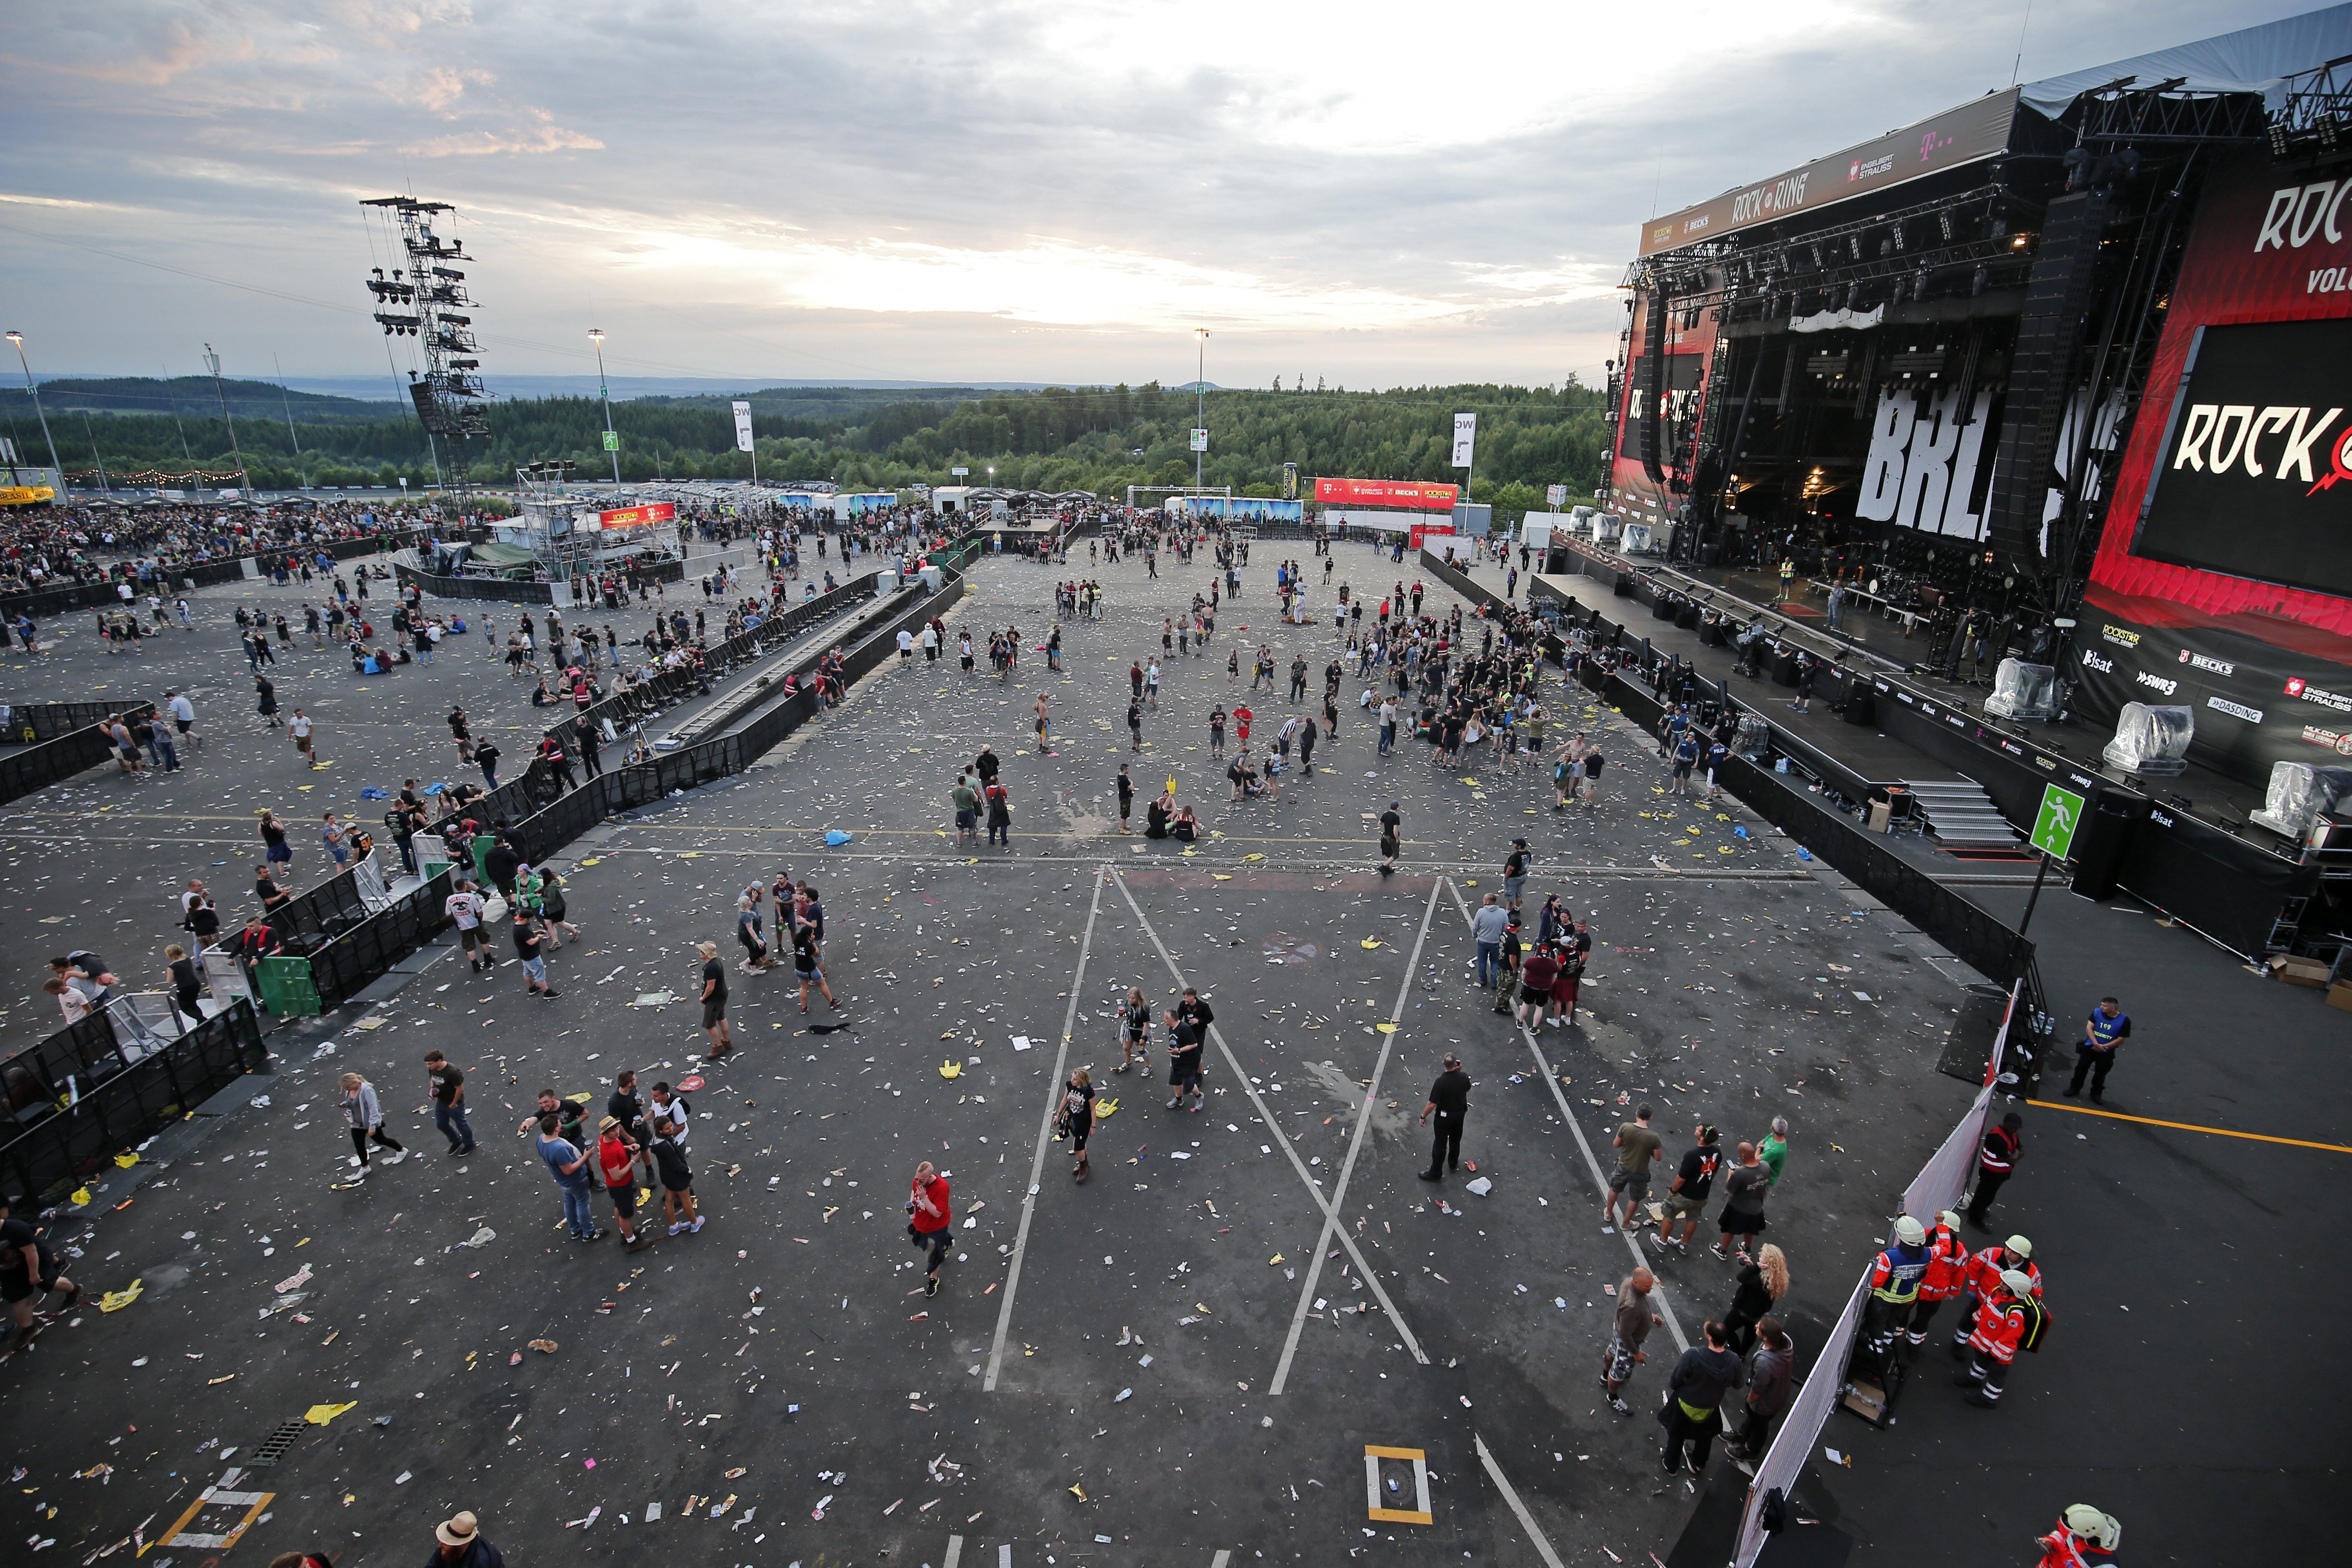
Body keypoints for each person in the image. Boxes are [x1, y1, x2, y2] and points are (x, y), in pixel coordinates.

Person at [1951, 1268, 2045, 1408]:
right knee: (1980, 1361)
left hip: (1999, 1352)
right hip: (1985, 1342)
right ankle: (1975, 1379)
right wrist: (1977, 1318)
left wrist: (1997, 1353)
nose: (2001, 1284)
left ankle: (1989, 1398)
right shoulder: (1996, 1293)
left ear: (2016, 1290)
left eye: (2006, 1284)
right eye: (2003, 1281)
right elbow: (1985, 1307)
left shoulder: (2016, 1313)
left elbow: (2010, 1337)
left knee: (1996, 1375)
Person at [1661, 1319, 1744, 1475]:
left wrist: (1676, 1387)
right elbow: (1738, 1385)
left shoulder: (1694, 1355)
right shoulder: (1733, 1360)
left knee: (1677, 1433)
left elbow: (1676, 1378)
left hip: (1686, 1403)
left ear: (1710, 1338)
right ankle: (1698, 1464)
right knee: (1705, 1436)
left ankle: (1671, 1465)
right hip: (1710, 1406)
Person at [0, 1192, 81, 1347]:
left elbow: (31, 1253)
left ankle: (73, 1290)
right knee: (17, 1298)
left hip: (34, 1261)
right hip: (9, 1270)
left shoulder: (14, 1229)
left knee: (49, 1282)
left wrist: (34, 1274)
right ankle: (28, 1329)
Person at [1857, 1215, 1931, 1377]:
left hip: (1885, 1300)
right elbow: (1943, 1249)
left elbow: (1876, 1282)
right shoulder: (1927, 1254)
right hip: (1908, 1299)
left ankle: (1874, 1353)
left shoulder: (1888, 1258)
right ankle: (1885, 1345)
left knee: (1877, 1325)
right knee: (1891, 1325)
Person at [1725, 1318, 1794, 1470]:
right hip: (1776, 1396)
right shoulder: (1784, 1347)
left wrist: (1749, 1401)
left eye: (1759, 1328)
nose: (1756, 1326)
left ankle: (1752, 1451)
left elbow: (1758, 1389)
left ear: (1766, 1337)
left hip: (1765, 1404)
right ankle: (1743, 1435)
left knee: (1760, 1425)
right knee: (1754, 1420)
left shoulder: (1766, 1364)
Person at [1601, 1267, 1664, 1415]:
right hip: (1628, 1341)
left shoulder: (1629, 1284)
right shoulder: (1631, 1306)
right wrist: (1636, 1353)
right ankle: (1612, 1397)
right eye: (1647, 1286)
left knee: (1612, 1350)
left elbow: (1630, 1319)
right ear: (1636, 1282)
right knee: (1619, 1371)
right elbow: (1625, 1334)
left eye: (1651, 1285)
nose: (1650, 1288)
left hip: (1619, 1330)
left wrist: (1649, 1316)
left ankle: (1604, 1376)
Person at [1655, 1124, 1723, 1254]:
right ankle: (1684, 1244)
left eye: (1699, 1129)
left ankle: (1662, 1242)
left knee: (1670, 1215)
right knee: (1693, 1218)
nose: (1696, 1127)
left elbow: (1681, 1179)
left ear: (1702, 1138)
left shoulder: (1692, 1155)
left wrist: (1673, 1191)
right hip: (1702, 1194)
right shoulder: (1717, 1152)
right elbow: (1715, 1173)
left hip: (1685, 1194)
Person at [1908, 1209, 1970, 1350]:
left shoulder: (1960, 1252)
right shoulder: (1922, 1236)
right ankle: (1892, 1338)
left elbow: (1960, 1273)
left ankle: (1913, 1345)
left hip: (1933, 1295)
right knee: (1901, 1315)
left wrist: (1953, 1292)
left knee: (1922, 1321)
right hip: (1913, 1287)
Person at [535, 1112, 602, 1241]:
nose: (561, 1123)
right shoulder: (559, 1149)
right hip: (575, 1181)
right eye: (559, 1123)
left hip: (563, 1182)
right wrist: (586, 1157)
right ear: (556, 1128)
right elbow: (569, 1170)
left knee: (570, 1203)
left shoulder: (541, 1140)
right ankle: (589, 1233)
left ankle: (575, 1230)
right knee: (582, 1204)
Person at [594, 1116, 654, 1251]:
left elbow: (618, 1146)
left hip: (618, 1187)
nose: (617, 1133)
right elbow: (616, 1176)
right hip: (620, 1185)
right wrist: (633, 1161)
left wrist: (628, 1147)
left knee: (619, 1209)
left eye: (617, 1129)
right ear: (605, 1133)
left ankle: (626, 1233)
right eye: (613, 1131)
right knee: (625, 1215)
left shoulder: (606, 1141)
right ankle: (632, 1242)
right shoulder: (609, 1152)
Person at [1720, 1243, 1788, 1357]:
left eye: (1763, 1253)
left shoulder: (1760, 1280)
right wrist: (1752, 1266)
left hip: (1743, 1310)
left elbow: (1742, 1278)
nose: (1760, 1253)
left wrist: (1754, 1267)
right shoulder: (1774, 1279)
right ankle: (1743, 1354)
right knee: (1750, 1332)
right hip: (1757, 1313)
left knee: (1727, 1328)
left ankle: (1736, 1352)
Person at [1605, 1104, 1661, 1233]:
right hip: (1640, 1171)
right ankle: (1625, 1223)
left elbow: (1616, 1144)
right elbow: (1658, 1157)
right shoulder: (1653, 1137)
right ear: (1650, 1118)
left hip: (1623, 1166)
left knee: (1615, 1188)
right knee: (1635, 1198)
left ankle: (1608, 1213)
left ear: (1637, 1114)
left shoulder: (1626, 1127)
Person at [2063, 996, 2130, 1102]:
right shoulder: (2097, 1012)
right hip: (2090, 1047)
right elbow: (2089, 1028)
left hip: (2106, 1052)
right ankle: (2075, 1088)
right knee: (2081, 1069)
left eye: (2104, 1006)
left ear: (2113, 1009)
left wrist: (2104, 1047)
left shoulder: (2124, 1021)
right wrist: (2096, 1043)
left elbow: (2121, 1039)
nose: (2101, 1007)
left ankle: (2096, 1094)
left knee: (2101, 1074)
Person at [1417, 1052, 1471, 1181]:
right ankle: (1453, 1163)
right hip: (1459, 1115)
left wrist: (1423, 1116)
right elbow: (1467, 1089)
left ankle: (1436, 1173)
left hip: (1444, 1117)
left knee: (1440, 1144)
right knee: (1455, 1139)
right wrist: (1460, 1071)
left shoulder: (1441, 1082)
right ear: (1456, 1064)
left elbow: (1432, 1103)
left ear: (1443, 1064)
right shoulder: (1463, 1077)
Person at [339, 1072, 407, 1174]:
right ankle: (365, 1167)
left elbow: (373, 1109)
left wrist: (372, 1126)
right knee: (359, 1145)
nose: (346, 1090)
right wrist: (346, 1104)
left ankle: (401, 1150)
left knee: (381, 1140)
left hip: (369, 1122)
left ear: (354, 1083)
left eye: (347, 1087)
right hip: (356, 1123)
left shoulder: (367, 1091)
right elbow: (353, 1102)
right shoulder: (349, 1091)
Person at [1966, 1110, 2024, 1227]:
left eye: (2017, 1128)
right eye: (2013, 1127)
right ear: (2005, 1123)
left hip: (2000, 1173)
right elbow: (2010, 1159)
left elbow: (2021, 1151)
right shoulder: (1996, 1137)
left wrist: (2015, 1155)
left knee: (1988, 1195)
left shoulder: (2013, 1135)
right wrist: (2016, 1155)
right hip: (1991, 1172)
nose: (2015, 1130)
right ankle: (1975, 1218)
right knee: (1984, 1195)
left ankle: (1978, 1210)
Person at [1715, 1140, 1772, 1258]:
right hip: (1757, 1207)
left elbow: (1731, 1189)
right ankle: (1747, 1248)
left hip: (1738, 1207)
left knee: (1729, 1229)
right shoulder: (1766, 1166)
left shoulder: (1740, 1173)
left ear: (1742, 1156)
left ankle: (1723, 1251)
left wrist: (1731, 1174)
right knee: (1750, 1229)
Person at [907, 1160, 952, 1296]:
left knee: (932, 1254)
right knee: (936, 1245)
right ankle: (946, 1244)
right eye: (917, 1179)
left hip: (936, 1227)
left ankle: (934, 1279)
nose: (918, 1182)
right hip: (920, 1224)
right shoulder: (918, 1181)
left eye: (922, 1180)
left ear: (930, 1177)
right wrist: (912, 1203)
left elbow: (937, 1213)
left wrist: (924, 1198)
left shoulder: (942, 1187)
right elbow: (913, 1191)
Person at [651, 1115, 701, 1234]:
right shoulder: (666, 1146)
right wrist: (687, 1170)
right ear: (660, 1130)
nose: (671, 1130)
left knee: (670, 1200)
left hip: (666, 1175)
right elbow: (676, 1164)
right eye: (667, 1128)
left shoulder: (656, 1140)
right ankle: (695, 1223)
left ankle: (673, 1226)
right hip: (677, 1176)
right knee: (686, 1200)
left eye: (671, 1126)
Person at [424, 1050, 475, 1155]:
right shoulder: (433, 1069)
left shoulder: (453, 1072)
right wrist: (431, 1090)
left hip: (454, 1104)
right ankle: (456, 1140)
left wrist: (454, 1103)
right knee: (441, 1124)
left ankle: (469, 1144)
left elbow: (460, 1089)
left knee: (461, 1124)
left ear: (439, 1061)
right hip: (441, 1102)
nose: (428, 1066)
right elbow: (433, 1080)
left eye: (430, 1064)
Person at [692, 940, 732, 1058]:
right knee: (721, 1017)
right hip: (722, 996)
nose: (699, 953)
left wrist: (703, 997)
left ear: (706, 953)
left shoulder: (710, 968)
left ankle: (718, 1047)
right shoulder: (717, 962)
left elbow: (710, 987)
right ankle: (726, 1041)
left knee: (709, 1024)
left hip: (714, 999)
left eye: (701, 951)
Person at [1057, 1068, 1096, 1181]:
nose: (1072, 1080)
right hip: (1072, 1119)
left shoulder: (1088, 1092)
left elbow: (1093, 1109)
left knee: (1077, 1148)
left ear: (1081, 1081)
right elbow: (1065, 1099)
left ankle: (1083, 1167)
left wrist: (1093, 1126)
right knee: (1079, 1141)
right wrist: (1058, 1114)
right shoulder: (1070, 1085)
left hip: (1083, 1122)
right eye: (1072, 1078)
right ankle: (1084, 1161)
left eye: (1075, 1079)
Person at [1165, 1006, 1204, 1112]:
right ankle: (1178, 1099)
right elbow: (1173, 1046)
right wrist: (1172, 1060)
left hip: (1188, 1062)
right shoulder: (1171, 1028)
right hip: (1176, 1061)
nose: (1164, 1020)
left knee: (1189, 1085)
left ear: (1172, 1019)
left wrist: (1179, 1051)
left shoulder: (1184, 1028)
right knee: (1176, 1081)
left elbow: (1194, 1044)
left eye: (1166, 1018)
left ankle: (1199, 1096)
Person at [512, 908, 557, 999]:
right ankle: (547, 992)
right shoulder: (522, 930)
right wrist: (539, 937)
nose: (531, 921)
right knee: (539, 974)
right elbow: (531, 942)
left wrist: (535, 933)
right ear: (525, 919)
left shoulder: (518, 927)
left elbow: (526, 936)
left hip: (524, 955)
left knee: (528, 972)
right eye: (530, 919)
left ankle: (532, 988)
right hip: (532, 955)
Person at [1470, 893, 1508, 989]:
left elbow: (1475, 927)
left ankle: (1482, 980)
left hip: (1483, 941)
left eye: (1484, 899)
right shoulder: (1503, 912)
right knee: (1495, 962)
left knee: (1482, 961)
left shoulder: (1481, 912)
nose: (1483, 901)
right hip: (1496, 941)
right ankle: (1494, 982)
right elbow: (1506, 927)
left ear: (1488, 902)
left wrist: (1475, 935)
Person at [1378, 801, 1402, 876]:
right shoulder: (1396, 817)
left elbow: (1379, 824)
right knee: (1395, 854)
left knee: (1388, 853)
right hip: (1392, 838)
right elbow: (1395, 830)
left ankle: (1387, 870)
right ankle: (1384, 867)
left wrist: (1385, 830)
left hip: (1385, 837)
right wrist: (1397, 839)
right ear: (1397, 808)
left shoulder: (1386, 814)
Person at [1116, 764, 1134, 834]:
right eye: (1128, 769)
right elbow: (1132, 788)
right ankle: (1123, 829)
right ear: (1125, 770)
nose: (1129, 770)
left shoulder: (1121, 776)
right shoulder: (1123, 779)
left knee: (1124, 812)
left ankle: (1123, 825)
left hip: (1123, 796)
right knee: (1125, 813)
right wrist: (1132, 783)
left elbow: (1128, 780)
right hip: (1125, 798)